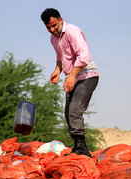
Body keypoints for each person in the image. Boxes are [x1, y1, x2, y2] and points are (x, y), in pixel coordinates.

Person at [41, 8, 99, 157]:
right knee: (68, 113)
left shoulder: (73, 31)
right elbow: (61, 57)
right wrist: (57, 70)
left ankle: (82, 150)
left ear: (60, 20)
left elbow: (84, 56)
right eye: (48, 27)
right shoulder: (53, 39)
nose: (52, 30)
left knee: (74, 110)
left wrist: (72, 75)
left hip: (87, 75)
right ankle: (79, 147)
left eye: (54, 25)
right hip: (72, 77)